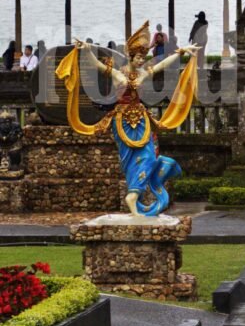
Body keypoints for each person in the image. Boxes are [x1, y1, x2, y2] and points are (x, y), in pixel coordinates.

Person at [57, 22, 200, 218]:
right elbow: (97, 65)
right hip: (122, 120)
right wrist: (87, 50)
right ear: (131, 57)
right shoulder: (118, 74)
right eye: (138, 57)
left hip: (141, 119)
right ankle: (133, 196)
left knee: (149, 155)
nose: (141, 61)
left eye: (143, 57)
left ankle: (134, 195)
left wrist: (182, 51)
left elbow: (161, 65)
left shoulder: (143, 73)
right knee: (130, 160)